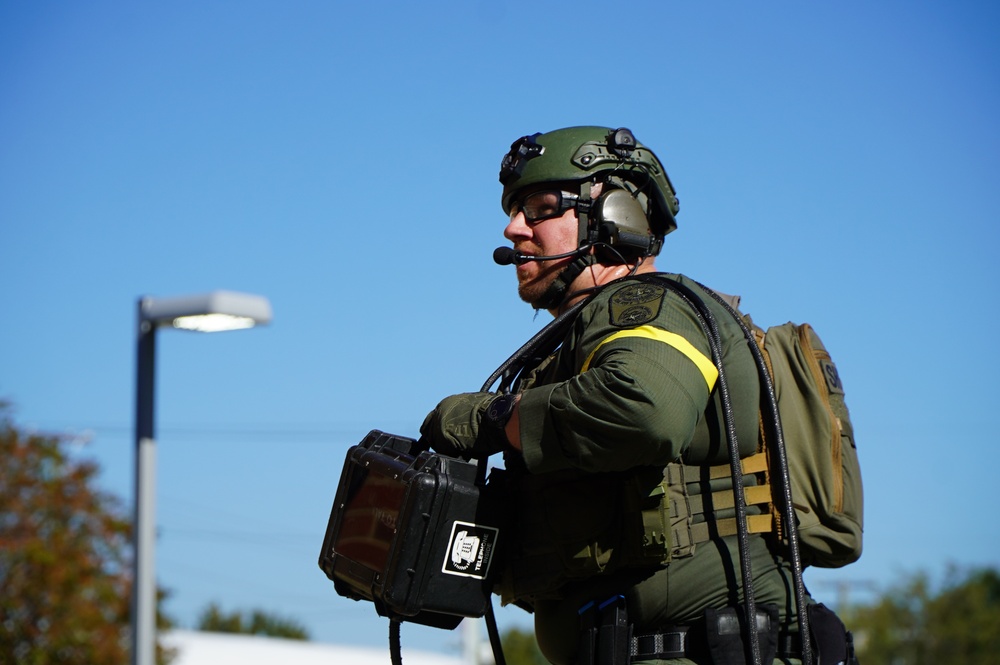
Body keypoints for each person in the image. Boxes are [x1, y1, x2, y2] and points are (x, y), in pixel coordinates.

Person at [418, 126, 840, 665]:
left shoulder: (651, 306)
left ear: (614, 215)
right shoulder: (584, 339)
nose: (513, 227)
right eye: (514, 210)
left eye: (540, 208)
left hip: (694, 650)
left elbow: (643, 411)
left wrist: (494, 417)